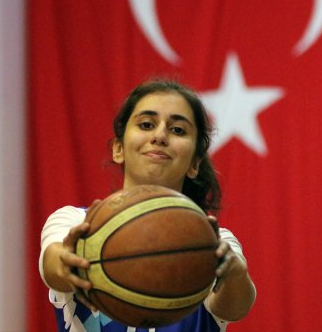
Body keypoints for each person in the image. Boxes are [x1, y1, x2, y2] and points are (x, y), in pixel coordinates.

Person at [39, 79, 256, 332]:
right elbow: (52, 265)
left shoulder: (212, 241)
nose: (160, 136)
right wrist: (67, 262)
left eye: (177, 130)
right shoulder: (74, 222)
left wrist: (234, 273)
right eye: (146, 124)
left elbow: (235, 307)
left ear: (194, 164)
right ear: (118, 149)